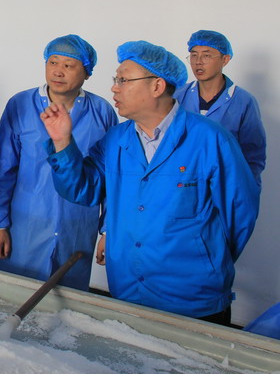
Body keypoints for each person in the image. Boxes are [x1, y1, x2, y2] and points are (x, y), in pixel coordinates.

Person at [40, 40, 260, 324]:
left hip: (193, 296)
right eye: (115, 80)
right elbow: (83, 189)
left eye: (123, 80)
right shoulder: (116, 140)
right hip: (128, 287)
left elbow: (239, 213)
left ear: (157, 86)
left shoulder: (210, 139)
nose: (114, 88)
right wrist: (62, 142)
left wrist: (207, 259)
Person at [0, 34, 117, 290]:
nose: (58, 72)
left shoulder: (102, 112)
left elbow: (111, 179)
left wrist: (107, 230)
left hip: (77, 226)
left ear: (87, 72)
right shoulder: (20, 105)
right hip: (26, 224)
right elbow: (3, 169)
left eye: (68, 65)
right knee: (15, 293)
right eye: (53, 62)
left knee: (68, 300)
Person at [174, 30, 266, 186]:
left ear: (225, 59)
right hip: (184, 186)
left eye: (206, 55)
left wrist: (241, 189)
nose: (198, 62)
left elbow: (253, 156)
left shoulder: (243, 101)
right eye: (194, 55)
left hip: (226, 185)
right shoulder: (177, 97)